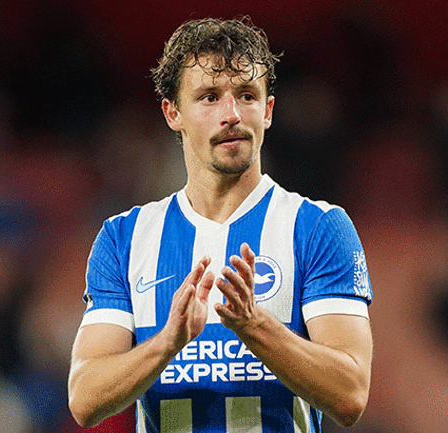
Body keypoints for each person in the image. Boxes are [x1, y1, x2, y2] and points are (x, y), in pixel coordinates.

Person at [68, 17, 373, 433]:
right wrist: (166, 344)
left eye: (246, 95)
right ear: (173, 113)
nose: (231, 114)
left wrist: (254, 325)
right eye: (209, 97)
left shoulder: (317, 228)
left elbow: (351, 395)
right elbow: (84, 400)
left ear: (267, 110)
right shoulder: (125, 237)